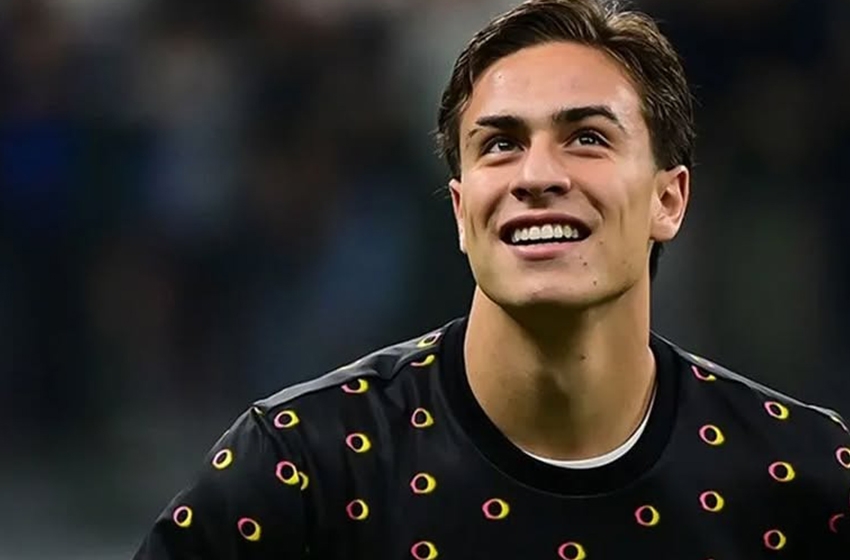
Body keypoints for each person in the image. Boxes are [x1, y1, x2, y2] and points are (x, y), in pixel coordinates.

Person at [133, 0, 850, 557]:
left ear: (669, 199)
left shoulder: (804, 480)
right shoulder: (301, 470)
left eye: (588, 138)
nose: (536, 175)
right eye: (501, 144)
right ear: (459, 209)